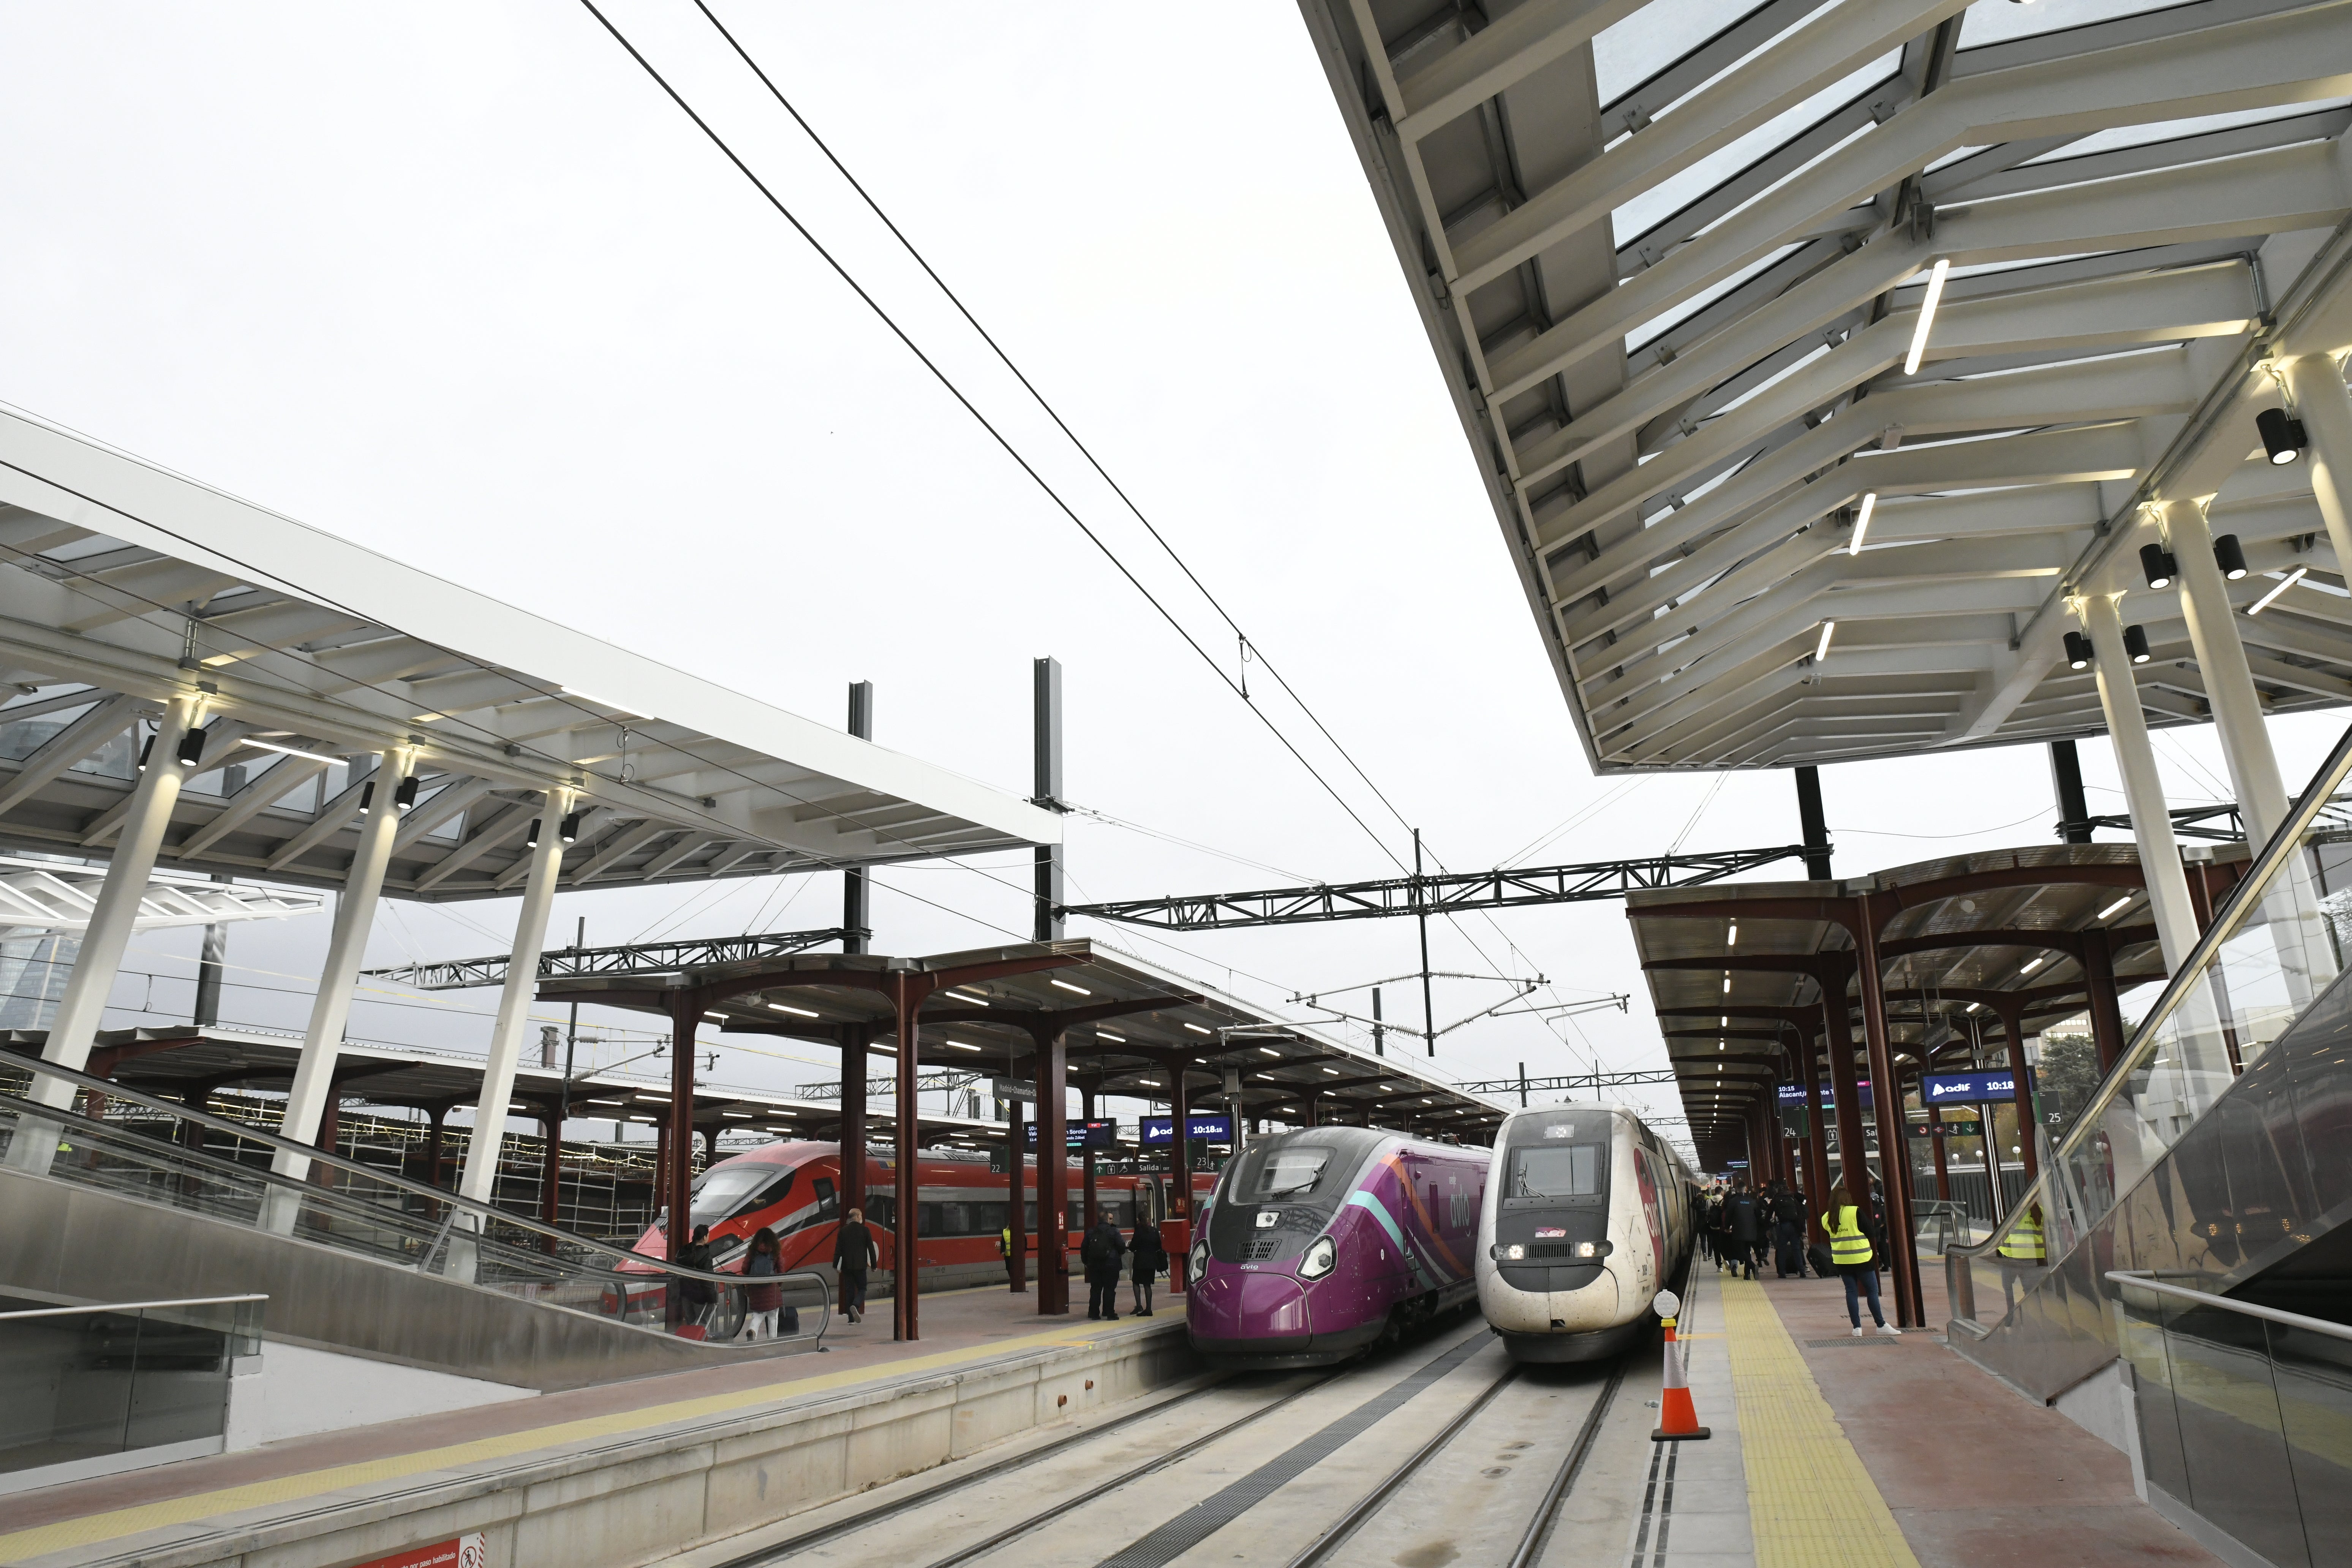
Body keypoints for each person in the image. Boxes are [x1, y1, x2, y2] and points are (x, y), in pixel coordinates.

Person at [1822, 1190, 1899, 1337]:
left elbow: (1830, 1236)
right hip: (1861, 1258)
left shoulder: (1826, 1217)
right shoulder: (1854, 1211)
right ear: (1847, 1198)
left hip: (1841, 1260)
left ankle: (1857, 1328)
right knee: (1872, 1291)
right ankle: (1881, 1325)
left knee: (1851, 1292)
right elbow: (1871, 1232)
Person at [835, 1206, 877, 1325]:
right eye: (861, 1216)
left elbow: (838, 1250)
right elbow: (871, 1249)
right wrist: (874, 1265)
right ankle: (856, 1305)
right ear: (858, 1217)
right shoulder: (865, 1230)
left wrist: (835, 1265)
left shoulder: (843, 1231)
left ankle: (851, 1319)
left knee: (849, 1291)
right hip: (860, 1266)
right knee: (863, 1288)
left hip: (847, 1267)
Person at [741, 1226, 784, 1341]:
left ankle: (753, 1331)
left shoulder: (752, 1252)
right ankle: (772, 1341)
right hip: (772, 1291)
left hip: (756, 1290)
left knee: (758, 1315)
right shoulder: (775, 1252)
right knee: (773, 1318)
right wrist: (779, 1285)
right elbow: (781, 1271)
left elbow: (745, 1268)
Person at [1081, 1214, 1126, 1320]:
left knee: (1096, 1289)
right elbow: (1122, 1247)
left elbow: (1084, 1247)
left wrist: (1086, 1262)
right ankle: (1110, 1313)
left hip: (1095, 1266)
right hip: (1111, 1265)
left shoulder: (1091, 1232)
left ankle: (1094, 1313)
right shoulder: (1114, 1231)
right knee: (1110, 1289)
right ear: (1107, 1220)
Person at [678, 1223, 718, 1331]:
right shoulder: (706, 1255)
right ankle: (700, 1345)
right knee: (702, 1325)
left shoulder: (683, 1251)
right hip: (700, 1296)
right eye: (708, 1235)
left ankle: (690, 1344)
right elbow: (707, 1279)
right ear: (705, 1237)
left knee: (691, 1322)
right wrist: (712, 1298)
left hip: (685, 1293)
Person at [1129, 1220, 1167, 1317]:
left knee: (1136, 1282)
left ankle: (1139, 1306)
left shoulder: (1139, 1231)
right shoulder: (1154, 1231)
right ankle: (1149, 1308)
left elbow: (1133, 1247)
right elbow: (1159, 1246)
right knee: (1147, 1285)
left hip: (1140, 1261)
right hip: (1152, 1261)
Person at [1726, 1183, 1763, 1280]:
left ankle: (1752, 1266)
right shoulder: (1752, 1201)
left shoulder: (1733, 1202)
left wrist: (1726, 1228)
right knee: (1747, 1251)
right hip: (1752, 1231)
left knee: (1739, 1251)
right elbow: (1759, 1215)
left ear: (1737, 1189)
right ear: (1746, 1189)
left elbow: (1728, 1216)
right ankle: (1747, 1275)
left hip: (1738, 1231)